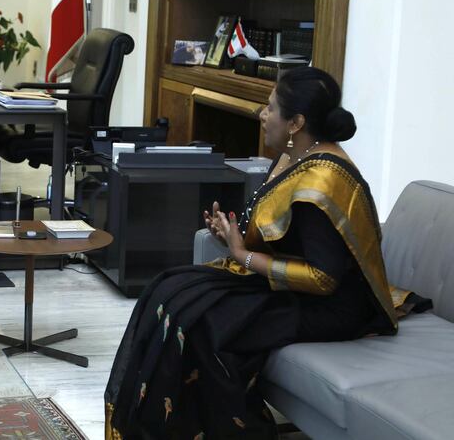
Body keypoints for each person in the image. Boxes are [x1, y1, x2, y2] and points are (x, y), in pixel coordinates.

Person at [105, 67, 408, 439]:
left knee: (199, 322)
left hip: (331, 307)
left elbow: (324, 278)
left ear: (296, 121)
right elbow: (282, 237)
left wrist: (241, 255)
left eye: (270, 108)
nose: (261, 115)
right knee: (169, 289)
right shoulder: (296, 153)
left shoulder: (323, 180)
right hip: (290, 289)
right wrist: (232, 240)